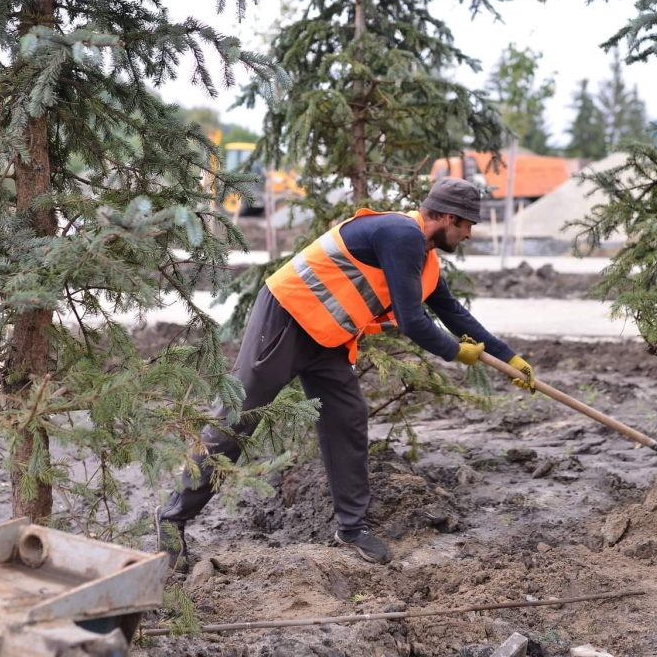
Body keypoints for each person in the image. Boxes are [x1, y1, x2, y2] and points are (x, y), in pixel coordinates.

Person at [155, 178, 536, 566]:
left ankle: (351, 526)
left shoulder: (425, 257)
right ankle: (172, 520)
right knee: (239, 419)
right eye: (468, 224)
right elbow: (411, 320)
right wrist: (455, 352)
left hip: (327, 335)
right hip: (287, 316)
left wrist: (510, 359)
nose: (470, 234)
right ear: (449, 218)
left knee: (347, 418)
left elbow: (453, 312)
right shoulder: (401, 234)